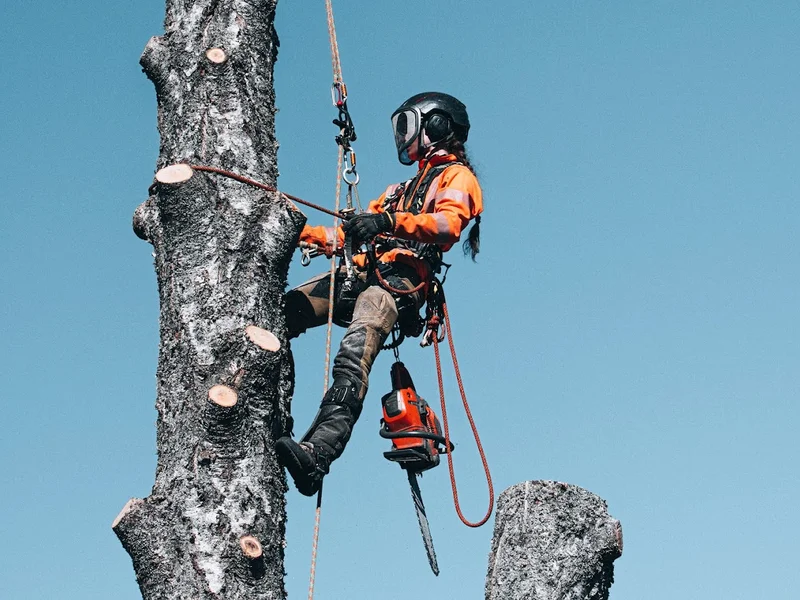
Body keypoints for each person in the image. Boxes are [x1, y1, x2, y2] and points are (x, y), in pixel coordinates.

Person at [276, 92, 483, 496]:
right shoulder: (398, 190)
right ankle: (270, 420)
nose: (402, 136)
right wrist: (299, 232)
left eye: (409, 126)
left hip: (402, 281)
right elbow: (350, 234)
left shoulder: (457, 178)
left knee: (354, 351)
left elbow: (446, 227)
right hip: (365, 273)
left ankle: (318, 453)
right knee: (283, 311)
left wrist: (388, 221)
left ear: (437, 125)